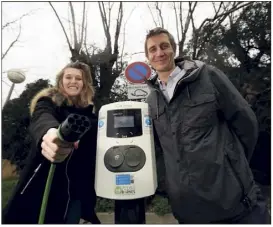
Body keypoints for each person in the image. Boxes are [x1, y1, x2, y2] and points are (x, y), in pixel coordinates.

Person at [144, 27, 270, 224]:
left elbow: (246, 123)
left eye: (164, 46)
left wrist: (233, 166)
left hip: (235, 203)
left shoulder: (208, 77)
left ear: (174, 50)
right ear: (148, 57)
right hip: (188, 209)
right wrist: (168, 183)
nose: (159, 53)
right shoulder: (151, 100)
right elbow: (157, 149)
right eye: (152, 49)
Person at [3, 61, 101, 224]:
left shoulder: (92, 117)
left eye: (78, 78)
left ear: (84, 84)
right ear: (61, 81)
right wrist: (52, 134)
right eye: (68, 77)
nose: (73, 81)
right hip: (43, 188)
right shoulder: (49, 103)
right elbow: (42, 118)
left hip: (77, 193)